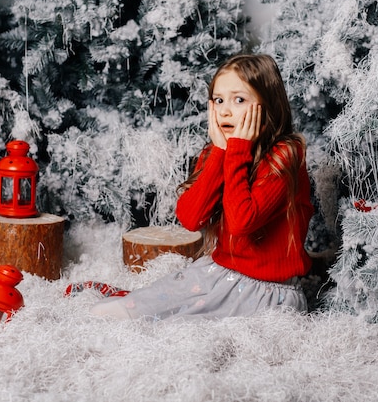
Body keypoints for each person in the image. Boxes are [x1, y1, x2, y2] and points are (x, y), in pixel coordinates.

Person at [90, 53, 314, 320]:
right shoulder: (218, 152)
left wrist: (237, 151)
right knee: (153, 300)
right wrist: (220, 152)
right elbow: (191, 218)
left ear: (267, 107)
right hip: (220, 272)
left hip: (266, 293)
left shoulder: (284, 156)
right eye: (218, 100)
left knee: (183, 322)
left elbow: (243, 221)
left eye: (239, 100)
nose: (225, 110)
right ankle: (130, 310)